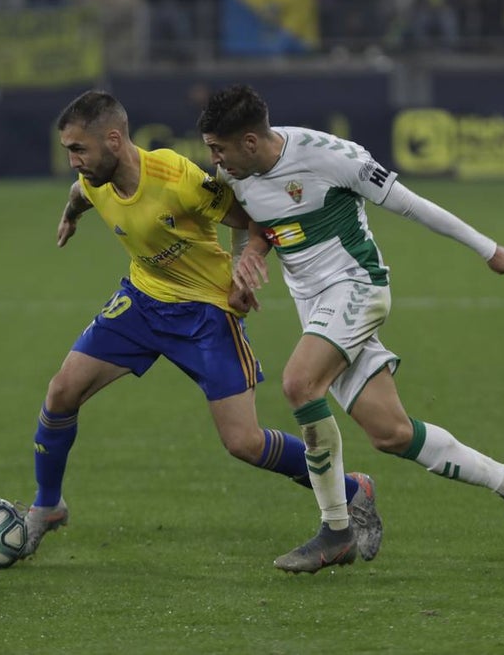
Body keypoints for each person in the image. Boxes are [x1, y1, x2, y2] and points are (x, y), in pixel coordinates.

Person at [22, 90, 383, 563]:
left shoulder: (176, 177)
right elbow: (80, 194)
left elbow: (251, 219)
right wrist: (70, 216)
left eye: (78, 149)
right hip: (142, 302)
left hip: (205, 313)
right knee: (61, 392)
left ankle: (353, 488)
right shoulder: (94, 178)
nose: (73, 162)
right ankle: (48, 506)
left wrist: (242, 267)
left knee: (245, 443)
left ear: (113, 140)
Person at [197, 85, 504, 573]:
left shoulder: (331, 157)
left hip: (357, 286)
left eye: (219, 148)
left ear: (250, 142)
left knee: (299, 384)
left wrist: (489, 250)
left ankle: (336, 529)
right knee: (392, 433)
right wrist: (247, 257)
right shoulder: (236, 170)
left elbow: (412, 204)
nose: (213, 160)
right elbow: (254, 222)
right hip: (317, 307)